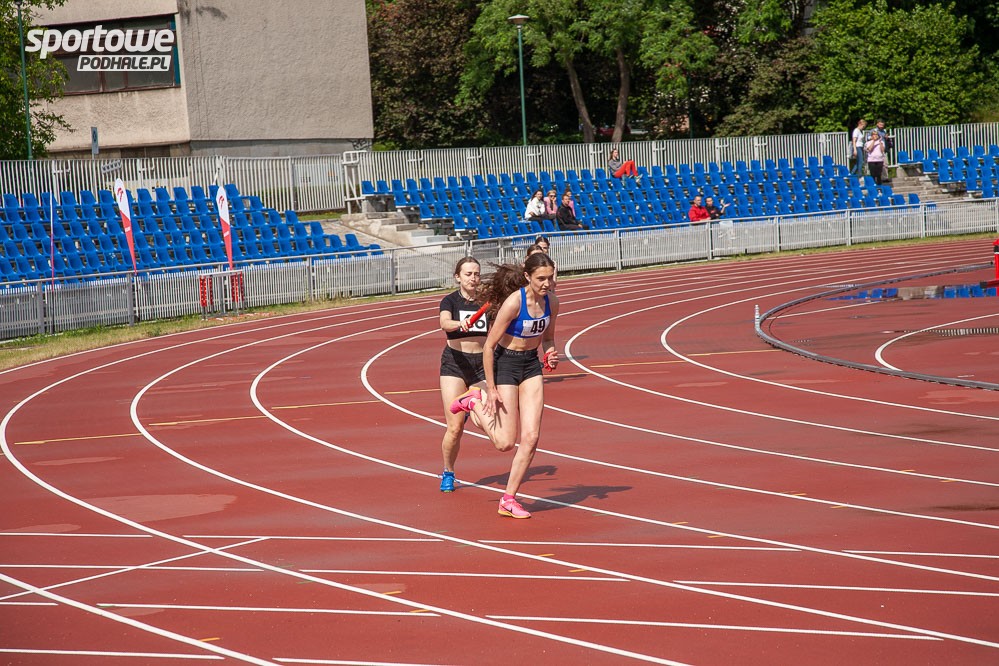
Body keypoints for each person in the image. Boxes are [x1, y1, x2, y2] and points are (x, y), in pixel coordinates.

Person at [448, 252, 560, 518]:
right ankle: (474, 400)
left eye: (550, 278)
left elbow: (548, 338)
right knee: (505, 442)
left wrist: (550, 353)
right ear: (527, 277)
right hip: (506, 364)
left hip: (531, 366)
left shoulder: (553, 302)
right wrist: (491, 388)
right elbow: (488, 346)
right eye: (541, 279)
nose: (547, 284)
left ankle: (508, 499)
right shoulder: (514, 303)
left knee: (531, 437)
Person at [437, 257, 488, 493]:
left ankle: (470, 405)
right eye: (468, 274)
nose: (473, 278)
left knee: (487, 421)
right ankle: (448, 472)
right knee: (455, 428)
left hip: (481, 365)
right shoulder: (450, 301)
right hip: (455, 364)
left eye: (476, 274)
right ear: (458, 277)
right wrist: (460, 324)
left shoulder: (487, 301)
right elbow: (444, 323)